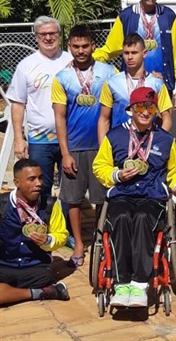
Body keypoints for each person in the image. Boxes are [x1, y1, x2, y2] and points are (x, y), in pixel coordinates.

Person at [93, 87, 176, 308]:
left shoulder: (164, 139)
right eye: (140, 107)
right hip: (122, 194)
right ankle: (121, 282)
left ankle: (139, 284)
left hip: (152, 196)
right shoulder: (115, 136)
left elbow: (175, 170)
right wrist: (116, 174)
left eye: (150, 107)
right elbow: (100, 165)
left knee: (144, 218)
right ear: (130, 110)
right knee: (123, 218)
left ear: (156, 111)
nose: (146, 112)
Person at [52, 24, 115, 268]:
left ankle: (101, 239)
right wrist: (65, 153)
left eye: (85, 46)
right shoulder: (63, 77)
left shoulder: (109, 72)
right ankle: (79, 243)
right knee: (73, 199)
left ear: (93, 46)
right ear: (69, 47)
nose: (80, 51)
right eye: (76, 47)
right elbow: (59, 117)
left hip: (102, 146)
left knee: (102, 198)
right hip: (75, 146)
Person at [93, 0, 176, 110]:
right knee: (132, 127)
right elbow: (110, 49)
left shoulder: (168, 16)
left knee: (161, 129)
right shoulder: (127, 16)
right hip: (132, 84)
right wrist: (85, 60)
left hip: (161, 84)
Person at [6, 16, 72, 206]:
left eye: (52, 33)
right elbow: (18, 104)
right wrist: (19, 139)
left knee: (70, 188)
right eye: (43, 34)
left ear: (59, 35)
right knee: (39, 189)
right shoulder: (26, 66)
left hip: (70, 137)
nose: (48, 38)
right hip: (40, 140)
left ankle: (64, 230)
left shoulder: (71, 61)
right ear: (36, 36)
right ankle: (40, 229)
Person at [0, 159, 69, 305]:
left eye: (40, 178)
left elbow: (61, 234)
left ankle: (10, 292)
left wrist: (48, 241)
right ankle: (41, 293)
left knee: (45, 276)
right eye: (32, 179)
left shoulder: (49, 204)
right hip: (4, 265)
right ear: (17, 182)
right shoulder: (2, 205)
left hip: (35, 269)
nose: (38, 183)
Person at [97, 33, 172, 143]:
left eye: (134, 53)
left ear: (144, 53)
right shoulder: (111, 83)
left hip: (148, 143)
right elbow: (104, 119)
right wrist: (103, 149)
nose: (130, 57)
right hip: (119, 142)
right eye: (126, 53)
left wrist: (157, 142)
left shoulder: (156, 83)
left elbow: (167, 118)